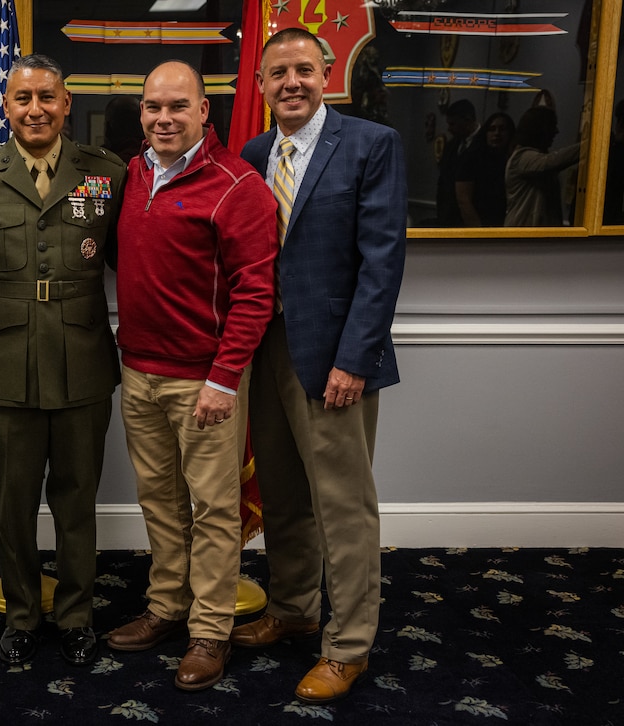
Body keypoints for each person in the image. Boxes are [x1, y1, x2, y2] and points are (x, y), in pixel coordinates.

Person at [235, 27, 406, 704]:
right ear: (261, 85)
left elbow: (383, 262)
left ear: (327, 72)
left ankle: (349, 647)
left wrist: (354, 359)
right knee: (281, 494)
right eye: (278, 73)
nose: (292, 83)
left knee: (344, 506)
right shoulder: (253, 153)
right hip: (267, 350)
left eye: (304, 69)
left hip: (336, 359)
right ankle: (295, 606)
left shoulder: (370, 144)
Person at [0, 53, 126, 669]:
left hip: (82, 357)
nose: (35, 109)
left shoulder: (107, 172)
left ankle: (76, 616)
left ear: (67, 103)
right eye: (22, 98)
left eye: (47, 97)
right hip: (3, 360)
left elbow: (133, 263)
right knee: (13, 501)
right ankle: (22, 614)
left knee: (78, 500)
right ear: (5, 105)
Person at [108, 60, 278, 692]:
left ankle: (210, 630)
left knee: (213, 508)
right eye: (153, 107)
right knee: (160, 501)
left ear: (205, 111)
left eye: (178, 106)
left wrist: (225, 377)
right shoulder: (130, 173)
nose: (164, 118)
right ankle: (166, 605)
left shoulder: (238, 185)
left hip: (204, 382)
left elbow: (255, 295)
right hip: (139, 373)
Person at [504, 105, 581, 226]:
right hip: (523, 237)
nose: (556, 131)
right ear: (540, 130)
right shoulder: (521, 157)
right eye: (552, 126)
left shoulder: (530, 157)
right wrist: (590, 144)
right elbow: (551, 162)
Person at [455, 112, 515, 226]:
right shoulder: (473, 157)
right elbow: (463, 199)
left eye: (502, 129)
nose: (497, 133)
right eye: (492, 129)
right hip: (479, 221)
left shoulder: (513, 159)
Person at [435, 98, 478, 226]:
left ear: (468, 120)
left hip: (476, 215)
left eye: (453, 124)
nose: (449, 129)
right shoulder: (451, 146)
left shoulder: (484, 144)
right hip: (449, 218)